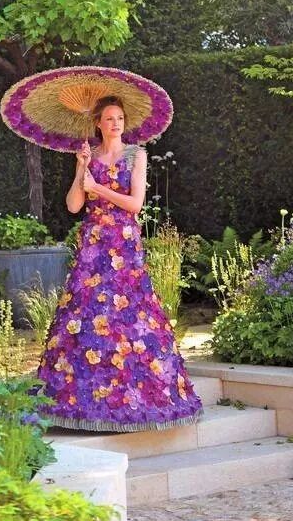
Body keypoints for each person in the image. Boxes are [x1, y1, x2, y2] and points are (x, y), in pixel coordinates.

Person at [37, 95, 203, 431]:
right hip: (93, 245)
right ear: (98, 123)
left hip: (123, 244)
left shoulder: (136, 154)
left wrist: (98, 188)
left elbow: (135, 204)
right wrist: (82, 167)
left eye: (120, 118)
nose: (116, 124)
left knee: (130, 311)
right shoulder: (89, 155)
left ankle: (137, 396)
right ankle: (83, 398)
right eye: (110, 118)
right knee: (88, 310)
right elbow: (73, 206)